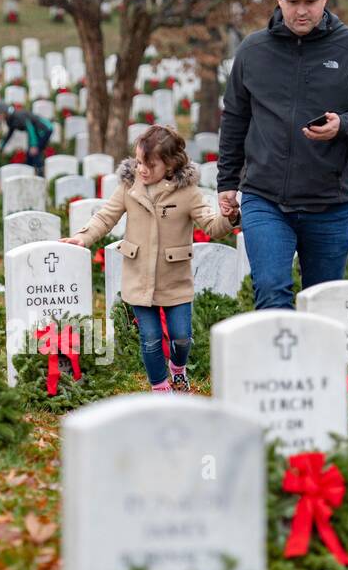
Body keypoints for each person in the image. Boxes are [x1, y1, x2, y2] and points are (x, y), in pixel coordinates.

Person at [217, 0, 348, 311]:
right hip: (265, 198)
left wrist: (343, 125)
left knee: (324, 303)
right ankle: (275, 367)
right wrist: (227, 182)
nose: (302, 10)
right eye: (294, 1)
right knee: (271, 291)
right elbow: (236, 118)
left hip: (328, 202)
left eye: (310, 2)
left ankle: (316, 368)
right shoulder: (253, 52)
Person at [63, 125, 238, 393]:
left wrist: (229, 217)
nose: (142, 169)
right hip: (138, 277)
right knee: (151, 338)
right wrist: (83, 237)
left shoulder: (188, 193)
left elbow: (212, 226)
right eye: (139, 161)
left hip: (175, 280)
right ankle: (160, 388)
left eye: (150, 164)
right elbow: (105, 217)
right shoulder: (129, 187)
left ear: (170, 164)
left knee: (181, 338)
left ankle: (177, 369)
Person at [4, 107, 53, 173]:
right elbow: (9, 133)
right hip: (38, 131)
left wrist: (33, 145)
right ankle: (29, 172)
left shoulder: (19, 116)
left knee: (35, 152)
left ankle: (40, 173)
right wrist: (2, 145)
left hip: (44, 129)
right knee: (30, 155)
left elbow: (30, 128)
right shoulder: (12, 119)